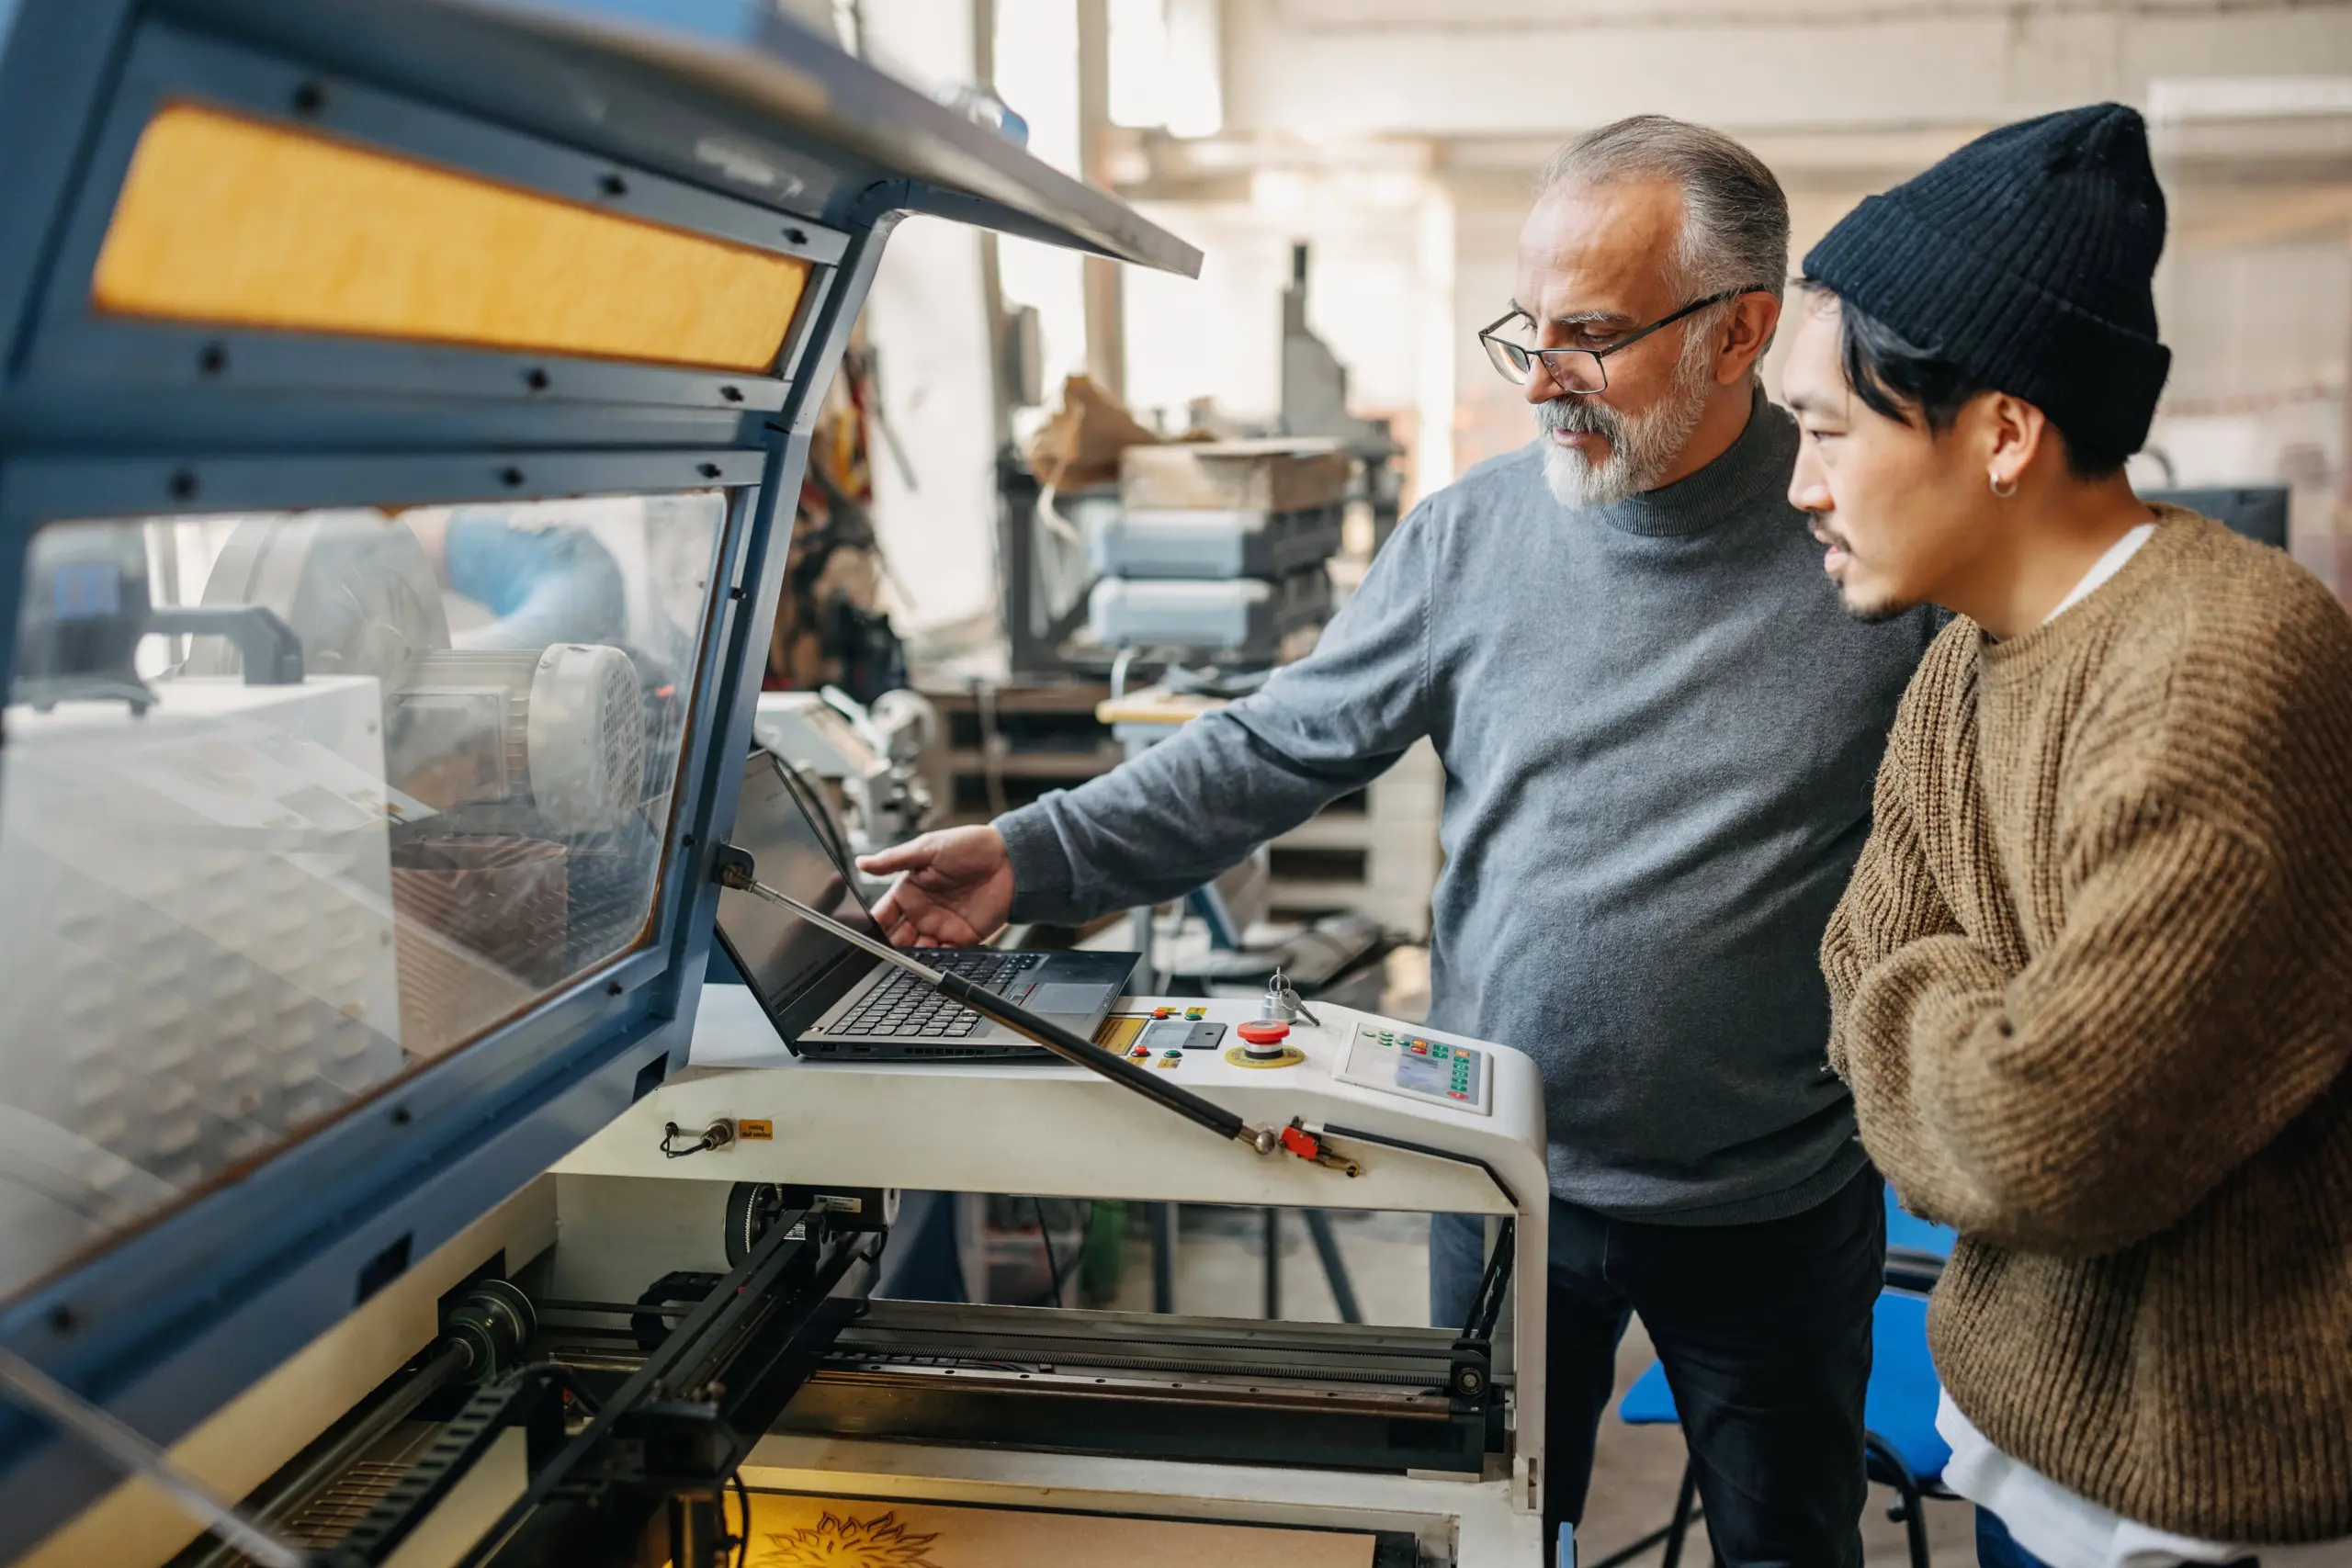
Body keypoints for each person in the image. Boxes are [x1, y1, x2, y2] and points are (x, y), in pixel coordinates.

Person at [863, 117, 1940, 1563]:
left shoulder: (1870, 555)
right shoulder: (1471, 538)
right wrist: (1034, 854)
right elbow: (1270, 746)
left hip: (1769, 1204)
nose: (1543, 375)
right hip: (1501, 1177)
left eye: (1593, 335)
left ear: (1742, 330)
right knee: (1464, 1540)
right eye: (1529, 327)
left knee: (1787, 1545)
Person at [1789, 104, 2352, 1568]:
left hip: (2195, 1493)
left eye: (1829, 430)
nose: (1802, 485)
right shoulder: (1962, 659)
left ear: (2003, 432)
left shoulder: (2226, 666)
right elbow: (1849, 956)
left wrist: (1938, 1016)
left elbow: (2041, 1141)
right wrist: (1969, 1027)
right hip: (2026, 1434)